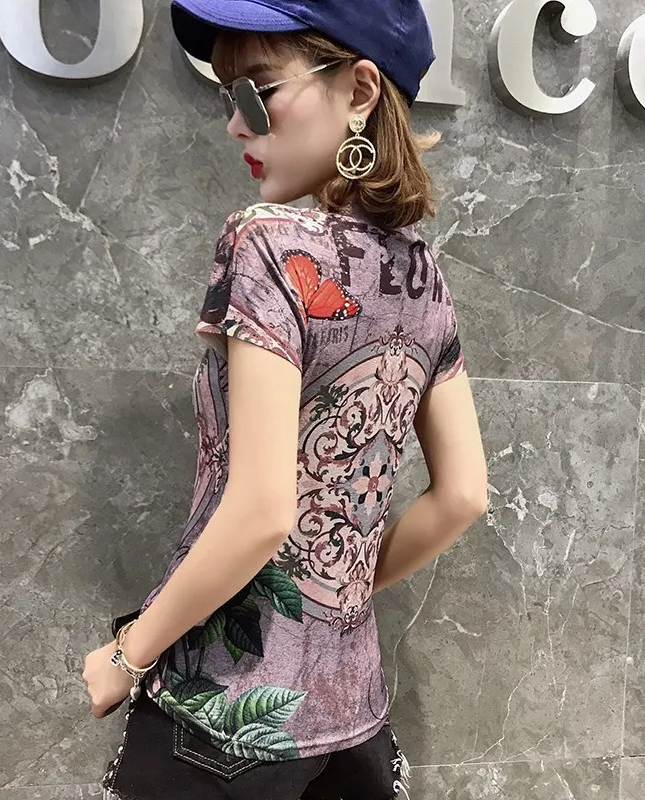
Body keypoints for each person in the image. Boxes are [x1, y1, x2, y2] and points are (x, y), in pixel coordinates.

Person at [83, 0, 488, 797]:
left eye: (258, 91)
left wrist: (129, 654)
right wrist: (328, 598)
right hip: (354, 719)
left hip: (223, 719)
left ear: (360, 89)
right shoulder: (425, 279)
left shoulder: (267, 242)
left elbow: (263, 510)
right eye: (228, 95)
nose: (237, 123)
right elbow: (464, 495)